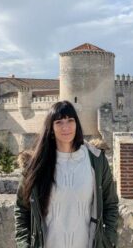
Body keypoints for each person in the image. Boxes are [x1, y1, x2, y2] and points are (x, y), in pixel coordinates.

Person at [15, 100, 119, 248]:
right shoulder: (35, 165)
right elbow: (22, 209)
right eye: (59, 122)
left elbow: (110, 204)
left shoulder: (96, 159)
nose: (66, 127)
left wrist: (108, 240)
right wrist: (24, 245)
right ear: (50, 128)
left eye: (70, 120)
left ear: (77, 124)